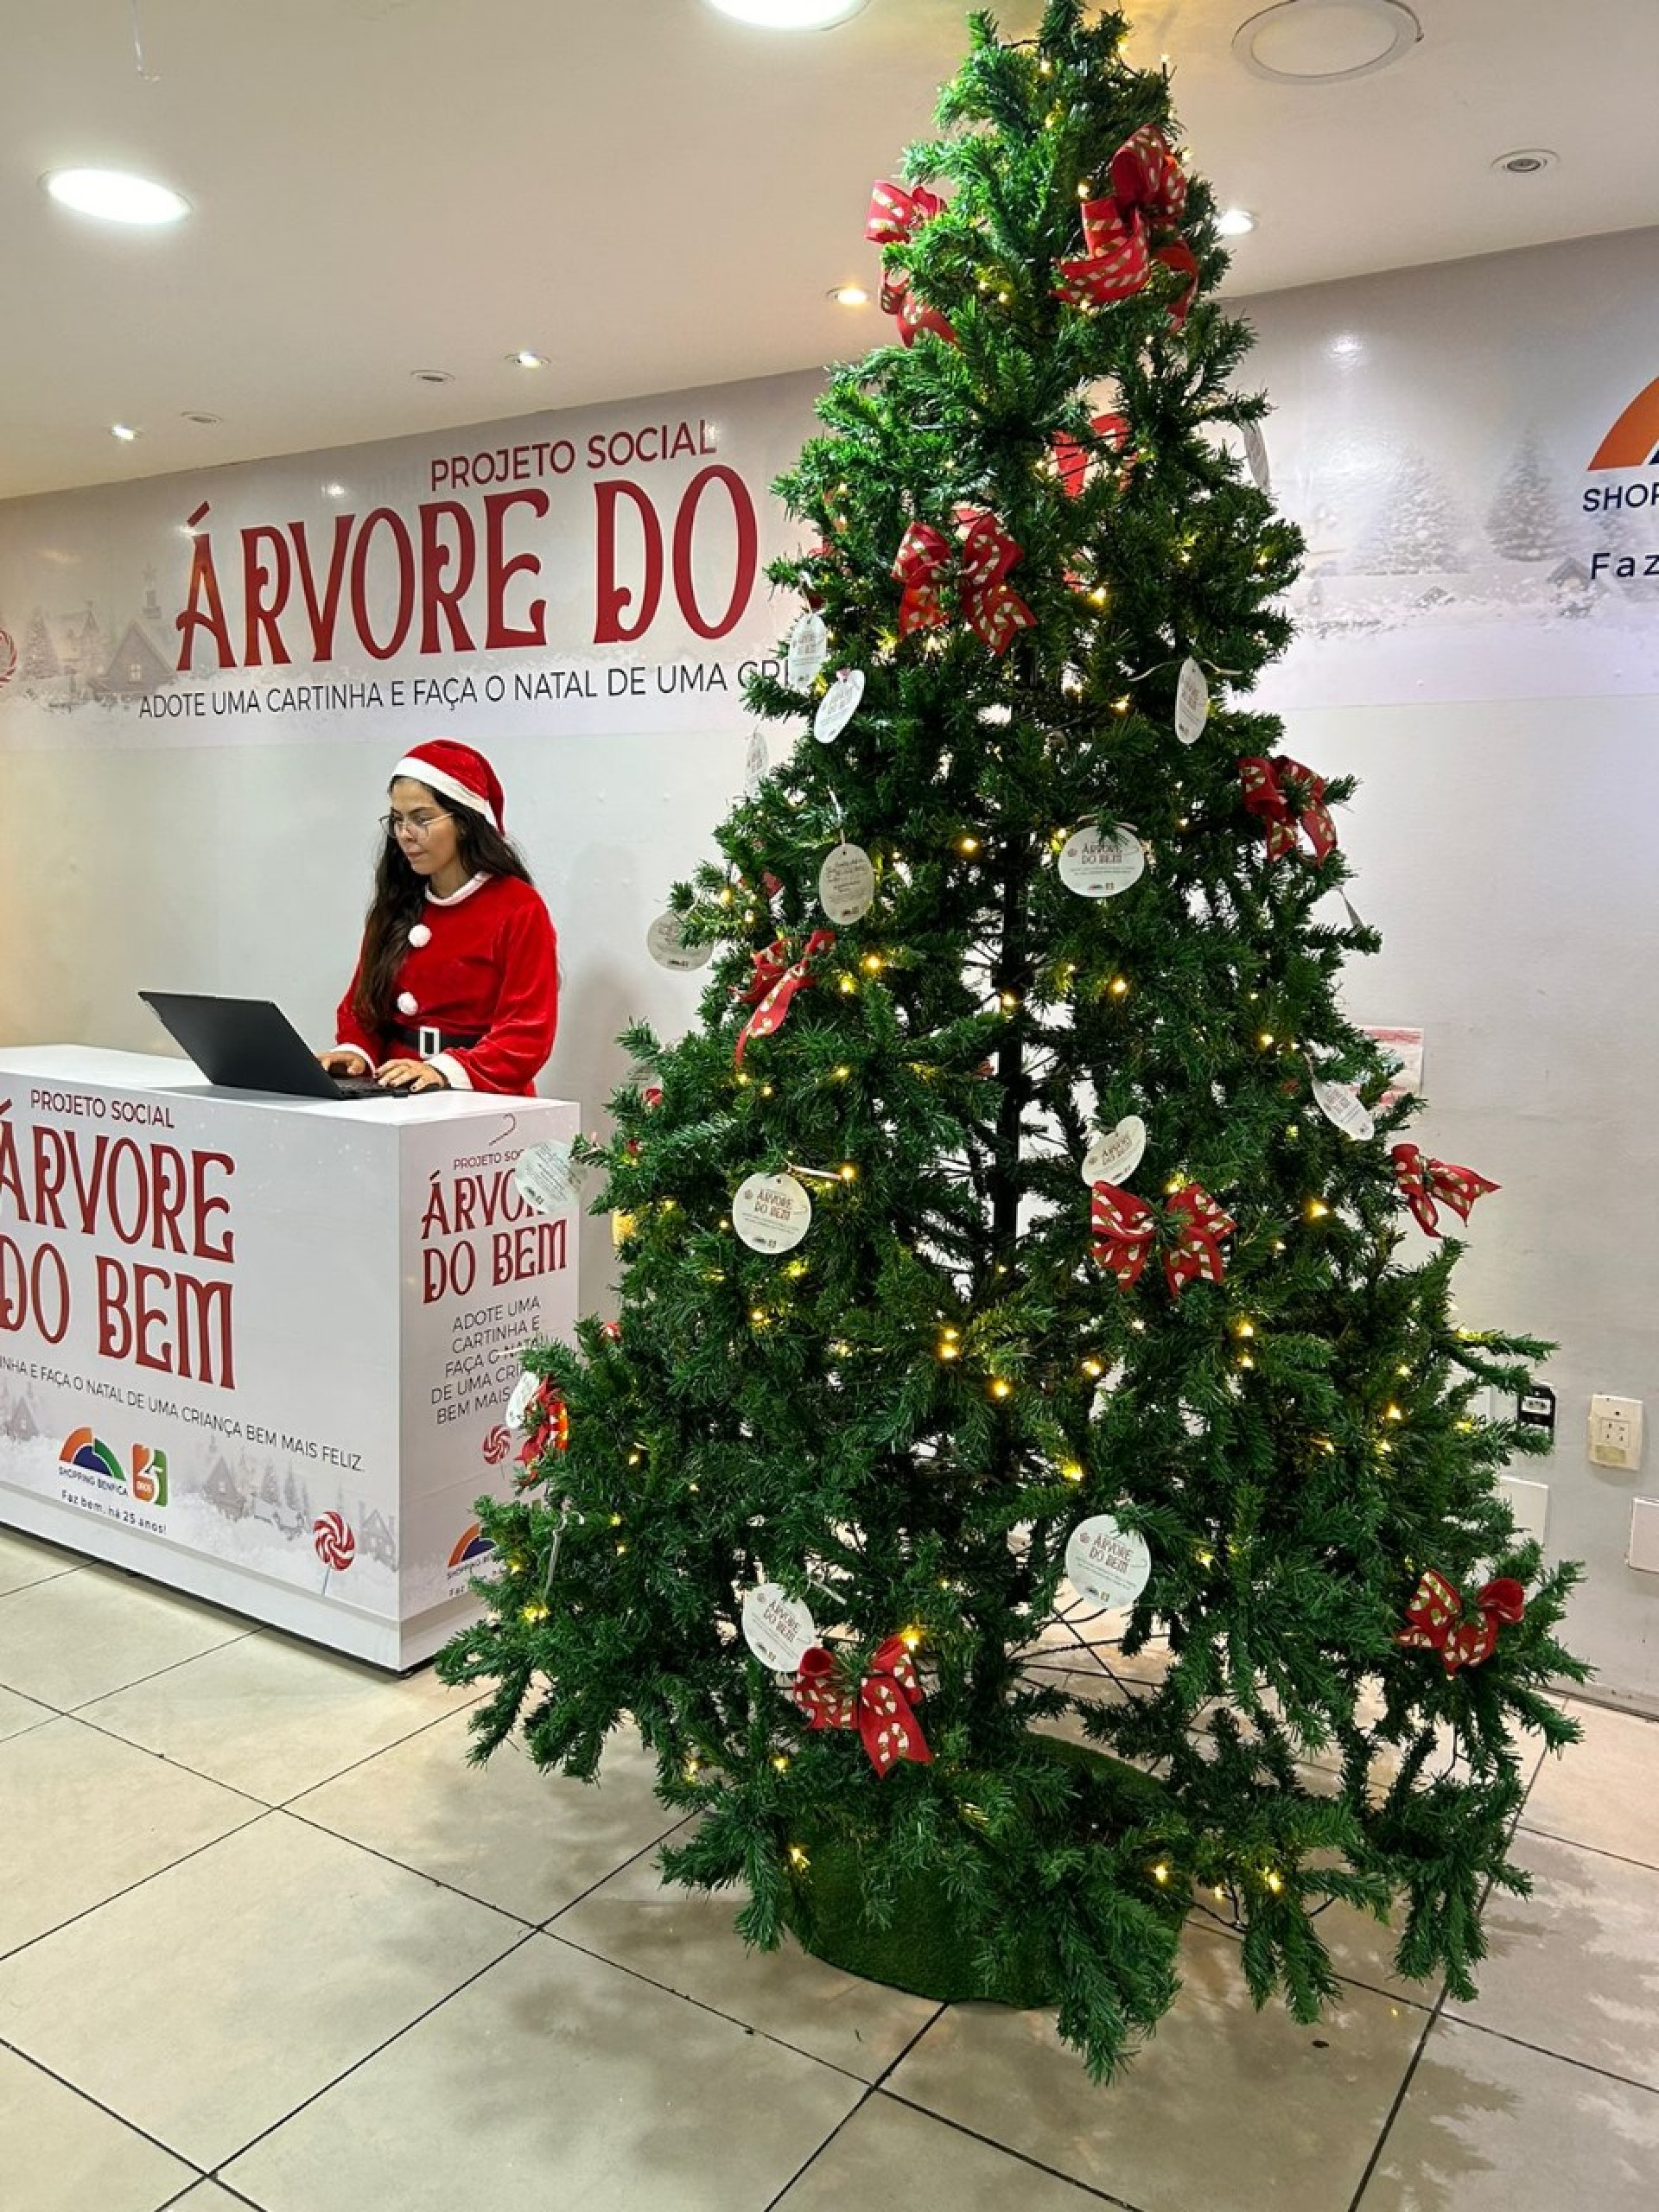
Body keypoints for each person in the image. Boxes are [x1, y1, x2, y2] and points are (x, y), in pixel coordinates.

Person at [321, 740, 557, 1096]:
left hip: (483, 1098)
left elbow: (526, 1033)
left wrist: (446, 1071)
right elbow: (362, 1009)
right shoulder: (395, 905)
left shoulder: (518, 907)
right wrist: (355, 1054)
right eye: (397, 820)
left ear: (464, 822)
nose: (405, 834)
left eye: (422, 819)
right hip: (393, 1096)